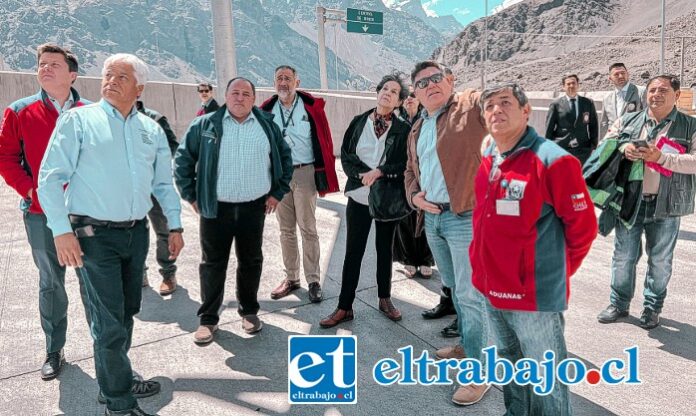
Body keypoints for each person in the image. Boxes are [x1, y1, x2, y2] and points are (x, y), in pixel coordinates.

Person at [38, 53, 184, 416]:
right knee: (109, 322)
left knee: (127, 311)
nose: (112, 80)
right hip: (92, 237)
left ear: (140, 88)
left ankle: (112, 378)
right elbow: (49, 179)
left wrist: (176, 224)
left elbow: (164, 183)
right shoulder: (78, 120)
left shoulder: (150, 129)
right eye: (108, 74)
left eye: (122, 76)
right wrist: (61, 232)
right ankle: (118, 403)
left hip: (136, 235)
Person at [471, 82, 597, 415]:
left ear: (527, 111)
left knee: (545, 378)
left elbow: (583, 229)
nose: (496, 110)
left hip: (533, 297)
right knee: (513, 369)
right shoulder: (490, 157)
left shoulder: (555, 161)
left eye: (505, 102)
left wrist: (549, 275)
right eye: (489, 106)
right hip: (491, 289)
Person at [175, 77, 293, 343]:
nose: (240, 98)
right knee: (213, 264)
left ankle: (249, 312)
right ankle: (208, 319)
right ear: (226, 96)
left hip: (254, 207)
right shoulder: (205, 125)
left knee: (251, 261)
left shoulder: (267, 125)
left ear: (253, 98)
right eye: (235, 93)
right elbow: (182, 161)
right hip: (216, 209)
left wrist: (277, 193)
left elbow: (285, 159)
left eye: (246, 94)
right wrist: (192, 196)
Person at [0, 43, 90, 381]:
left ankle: (105, 350)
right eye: (41, 64)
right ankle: (54, 350)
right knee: (51, 284)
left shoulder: (91, 112)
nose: (45, 68)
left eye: (54, 64)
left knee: (92, 283)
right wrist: (30, 190)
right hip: (40, 215)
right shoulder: (19, 111)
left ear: (72, 74)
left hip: (86, 216)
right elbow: (6, 157)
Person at [404, 60, 490, 405]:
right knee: (455, 289)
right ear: (416, 93)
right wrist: (414, 197)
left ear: (450, 80)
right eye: (422, 83)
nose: (430, 85)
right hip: (434, 219)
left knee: (472, 296)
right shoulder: (416, 128)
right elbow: (412, 169)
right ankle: (468, 345)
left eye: (436, 78)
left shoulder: (470, 105)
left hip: (467, 217)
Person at [594, 75, 696, 329]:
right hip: (630, 201)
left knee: (660, 260)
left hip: (667, 204)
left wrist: (662, 158)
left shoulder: (690, 126)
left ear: (676, 94)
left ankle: (652, 308)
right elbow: (603, 145)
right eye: (652, 90)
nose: (656, 95)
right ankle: (618, 304)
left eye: (663, 90)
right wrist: (623, 148)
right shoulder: (628, 120)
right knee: (623, 256)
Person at [319, 73, 411, 328]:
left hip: (387, 198)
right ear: (377, 92)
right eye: (385, 88)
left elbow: (404, 163)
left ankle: (385, 299)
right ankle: (344, 307)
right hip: (359, 196)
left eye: (393, 92)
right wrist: (361, 175)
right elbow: (346, 155)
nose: (387, 93)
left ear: (399, 101)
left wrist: (380, 172)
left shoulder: (403, 129)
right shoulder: (359, 121)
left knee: (384, 251)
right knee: (353, 252)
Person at [259, 65, 339, 303]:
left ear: (297, 81)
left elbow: (325, 139)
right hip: (280, 176)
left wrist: (325, 175)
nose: (283, 83)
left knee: (308, 228)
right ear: (274, 83)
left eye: (287, 78)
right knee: (286, 230)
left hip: (305, 173)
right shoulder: (266, 110)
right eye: (279, 79)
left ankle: (313, 280)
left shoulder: (311, 107)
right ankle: (292, 278)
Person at [136, 99, 180, 295]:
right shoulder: (110, 120)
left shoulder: (155, 119)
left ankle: (168, 273)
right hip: (129, 189)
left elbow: (173, 146)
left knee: (163, 230)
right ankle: (139, 273)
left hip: (155, 187)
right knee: (134, 232)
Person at [393, 88, 435, 278]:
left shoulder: (426, 119)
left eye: (413, 96)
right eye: (406, 97)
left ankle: (425, 260)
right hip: (401, 175)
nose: (409, 99)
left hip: (424, 174)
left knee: (424, 215)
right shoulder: (395, 121)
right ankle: (408, 260)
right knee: (404, 219)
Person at [545, 74, 599, 164]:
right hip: (561, 149)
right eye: (568, 84)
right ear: (563, 87)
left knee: (581, 176)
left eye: (573, 83)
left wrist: (593, 146)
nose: (571, 86)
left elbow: (593, 125)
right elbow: (549, 128)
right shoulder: (556, 104)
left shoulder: (588, 103)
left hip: (583, 150)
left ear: (578, 85)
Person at [600, 63, 646, 138]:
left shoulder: (641, 92)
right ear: (610, 78)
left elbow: (647, 117)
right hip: (612, 142)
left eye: (623, 73)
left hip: (633, 141)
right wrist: (601, 144)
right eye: (616, 74)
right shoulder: (607, 98)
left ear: (628, 74)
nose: (620, 76)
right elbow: (604, 124)